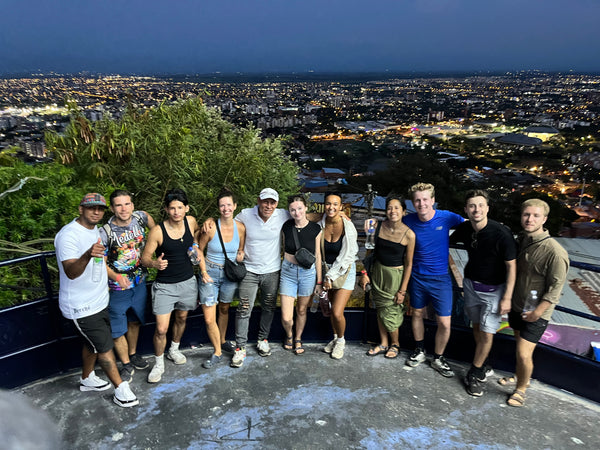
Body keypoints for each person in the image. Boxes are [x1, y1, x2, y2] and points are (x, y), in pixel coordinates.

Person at [54, 193, 138, 407]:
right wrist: (87, 255)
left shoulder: (95, 231)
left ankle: (87, 378)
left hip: (99, 301)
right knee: (104, 347)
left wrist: (116, 277)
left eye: (100, 208)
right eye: (91, 208)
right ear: (81, 209)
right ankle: (121, 389)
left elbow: (100, 263)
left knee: (91, 343)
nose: (96, 212)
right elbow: (71, 272)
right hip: (81, 307)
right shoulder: (68, 235)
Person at [449, 190, 517, 396]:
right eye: (472, 206)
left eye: (480, 205)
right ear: (466, 210)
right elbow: (445, 237)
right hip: (471, 285)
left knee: (487, 333)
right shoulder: (465, 229)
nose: (476, 209)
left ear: (487, 208)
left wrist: (507, 297)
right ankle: (484, 363)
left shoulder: (502, 234)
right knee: (477, 328)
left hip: (494, 291)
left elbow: (512, 267)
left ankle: (475, 373)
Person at [503, 199, 569, 407]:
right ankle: (520, 376)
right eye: (526, 214)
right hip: (517, 306)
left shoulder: (554, 251)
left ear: (544, 219)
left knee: (524, 353)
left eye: (535, 216)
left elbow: (556, 288)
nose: (530, 219)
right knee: (519, 348)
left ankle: (521, 389)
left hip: (536, 312)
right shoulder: (522, 239)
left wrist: (538, 312)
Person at [402, 183, 464, 377]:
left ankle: (438, 357)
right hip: (417, 277)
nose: (422, 204)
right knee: (417, 314)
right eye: (417, 200)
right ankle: (419, 350)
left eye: (425, 199)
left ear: (433, 200)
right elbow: (389, 225)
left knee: (444, 322)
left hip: (441, 278)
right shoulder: (408, 220)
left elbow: (470, 223)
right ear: (413, 203)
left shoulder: (446, 217)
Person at [141, 189, 199, 383]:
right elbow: (144, 259)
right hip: (165, 285)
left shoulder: (191, 222)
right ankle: (158, 363)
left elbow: (198, 235)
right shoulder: (158, 231)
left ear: (186, 208)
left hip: (188, 281)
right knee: (161, 328)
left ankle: (174, 349)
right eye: (172, 208)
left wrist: (196, 247)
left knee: (181, 318)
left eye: (180, 207)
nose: (176, 212)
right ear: (166, 209)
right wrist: (154, 264)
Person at [230, 188, 291, 368]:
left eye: (272, 202)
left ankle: (263, 340)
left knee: (269, 307)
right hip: (249, 270)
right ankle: (240, 347)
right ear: (258, 201)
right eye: (265, 201)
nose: (268, 206)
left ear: (277, 204)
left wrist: (338, 215)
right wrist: (211, 222)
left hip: (272, 271)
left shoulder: (282, 215)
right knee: (244, 309)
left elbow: (304, 216)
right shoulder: (246, 214)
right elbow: (227, 223)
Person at [99, 190, 155, 382]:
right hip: (117, 287)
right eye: (119, 205)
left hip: (139, 281)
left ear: (132, 205)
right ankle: (125, 364)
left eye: (127, 204)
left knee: (134, 320)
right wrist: (116, 277)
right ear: (112, 208)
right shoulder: (105, 232)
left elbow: (156, 231)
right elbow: (100, 262)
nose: (124, 209)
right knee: (117, 329)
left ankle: (132, 354)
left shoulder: (141, 218)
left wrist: (152, 254)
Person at [360, 194, 415, 359]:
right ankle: (383, 343)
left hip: (395, 276)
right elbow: (369, 252)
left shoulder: (409, 235)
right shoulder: (376, 226)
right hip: (378, 272)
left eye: (397, 208)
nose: (393, 211)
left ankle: (395, 344)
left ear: (404, 211)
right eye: (389, 208)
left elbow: (409, 264)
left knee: (391, 310)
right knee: (380, 308)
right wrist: (364, 273)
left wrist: (403, 290)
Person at [196, 188, 246, 369]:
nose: (226, 208)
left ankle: (223, 340)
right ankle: (217, 352)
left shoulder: (240, 228)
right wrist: (203, 272)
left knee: (224, 309)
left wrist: (240, 255)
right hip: (210, 273)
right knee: (209, 318)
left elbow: (241, 249)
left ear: (235, 206)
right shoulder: (210, 228)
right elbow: (199, 250)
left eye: (229, 205)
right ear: (218, 208)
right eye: (222, 205)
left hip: (229, 275)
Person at [279, 195, 323, 355]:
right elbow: (282, 247)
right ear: (289, 211)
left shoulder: (316, 229)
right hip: (288, 272)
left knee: (302, 310)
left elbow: (318, 255)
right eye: (292, 210)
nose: (297, 212)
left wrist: (319, 281)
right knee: (286, 316)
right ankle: (289, 334)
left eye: (299, 208)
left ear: (305, 208)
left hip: (308, 273)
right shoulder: (286, 226)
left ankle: (297, 338)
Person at [320, 192, 359, 360]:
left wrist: (330, 277)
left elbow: (348, 256)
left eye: (335, 204)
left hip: (344, 271)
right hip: (327, 270)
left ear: (341, 206)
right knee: (330, 308)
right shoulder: (320, 223)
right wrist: (326, 276)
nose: (331, 207)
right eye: (328, 203)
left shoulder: (348, 226)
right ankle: (335, 339)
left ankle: (342, 341)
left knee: (337, 312)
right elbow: (303, 214)